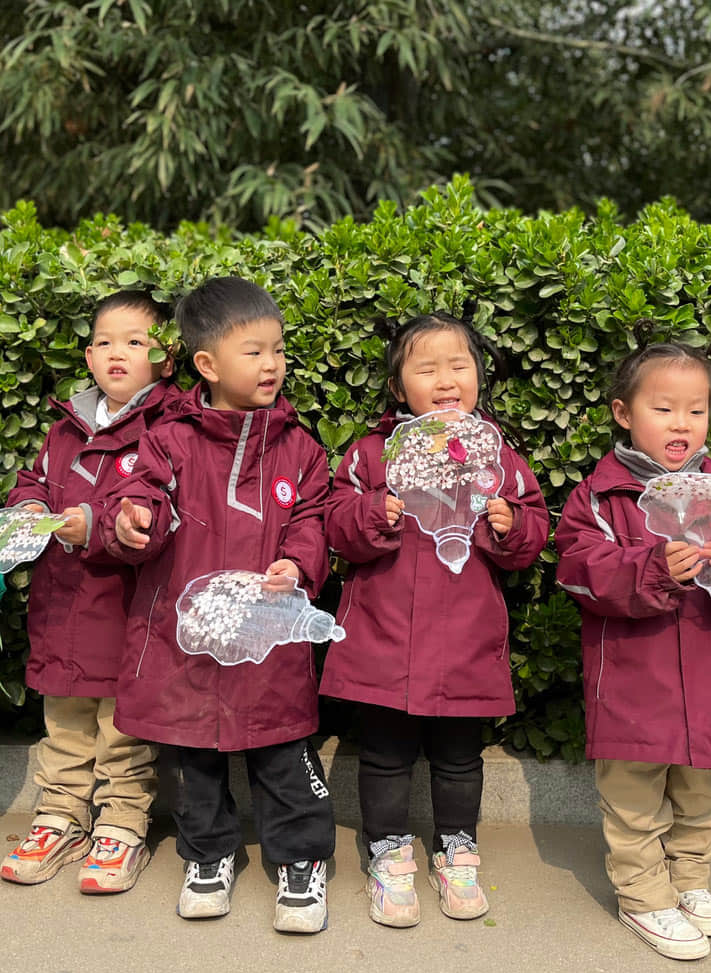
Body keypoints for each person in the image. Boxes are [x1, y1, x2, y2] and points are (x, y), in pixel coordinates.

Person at [100, 276, 334, 934]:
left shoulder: (300, 448)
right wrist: (132, 520)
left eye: (279, 350)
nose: (272, 364)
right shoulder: (168, 440)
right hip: (188, 638)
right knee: (195, 758)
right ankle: (207, 855)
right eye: (254, 352)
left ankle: (302, 861)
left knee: (285, 753)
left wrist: (300, 561)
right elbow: (143, 495)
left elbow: (312, 516)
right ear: (207, 364)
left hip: (268, 639)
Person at [555, 342, 711, 961]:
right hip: (637, 681)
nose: (682, 423)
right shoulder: (601, 498)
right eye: (663, 408)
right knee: (632, 799)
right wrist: (651, 567)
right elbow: (580, 571)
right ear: (623, 414)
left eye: (696, 410)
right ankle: (642, 895)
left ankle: (688, 880)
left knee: (699, 793)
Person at [320, 312, 549, 928]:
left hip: (464, 638)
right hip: (383, 636)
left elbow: (533, 529)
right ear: (399, 388)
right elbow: (336, 523)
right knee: (385, 755)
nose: (447, 379)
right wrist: (376, 514)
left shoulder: (498, 453)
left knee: (459, 759)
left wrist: (513, 526)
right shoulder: (372, 452)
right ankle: (388, 849)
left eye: (460, 365)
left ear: (479, 375)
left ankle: (457, 847)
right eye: (427, 368)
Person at [1, 290, 176, 893]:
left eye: (135, 342)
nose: (117, 354)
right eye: (105, 342)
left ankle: (122, 824)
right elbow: (33, 482)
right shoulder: (63, 429)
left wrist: (98, 528)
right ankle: (60, 816)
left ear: (166, 359)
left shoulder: (166, 429)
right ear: (88, 355)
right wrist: (26, 510)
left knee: (122, 728)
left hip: (126, 612)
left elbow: (159, 513)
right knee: (66, 722)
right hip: (62, 605)